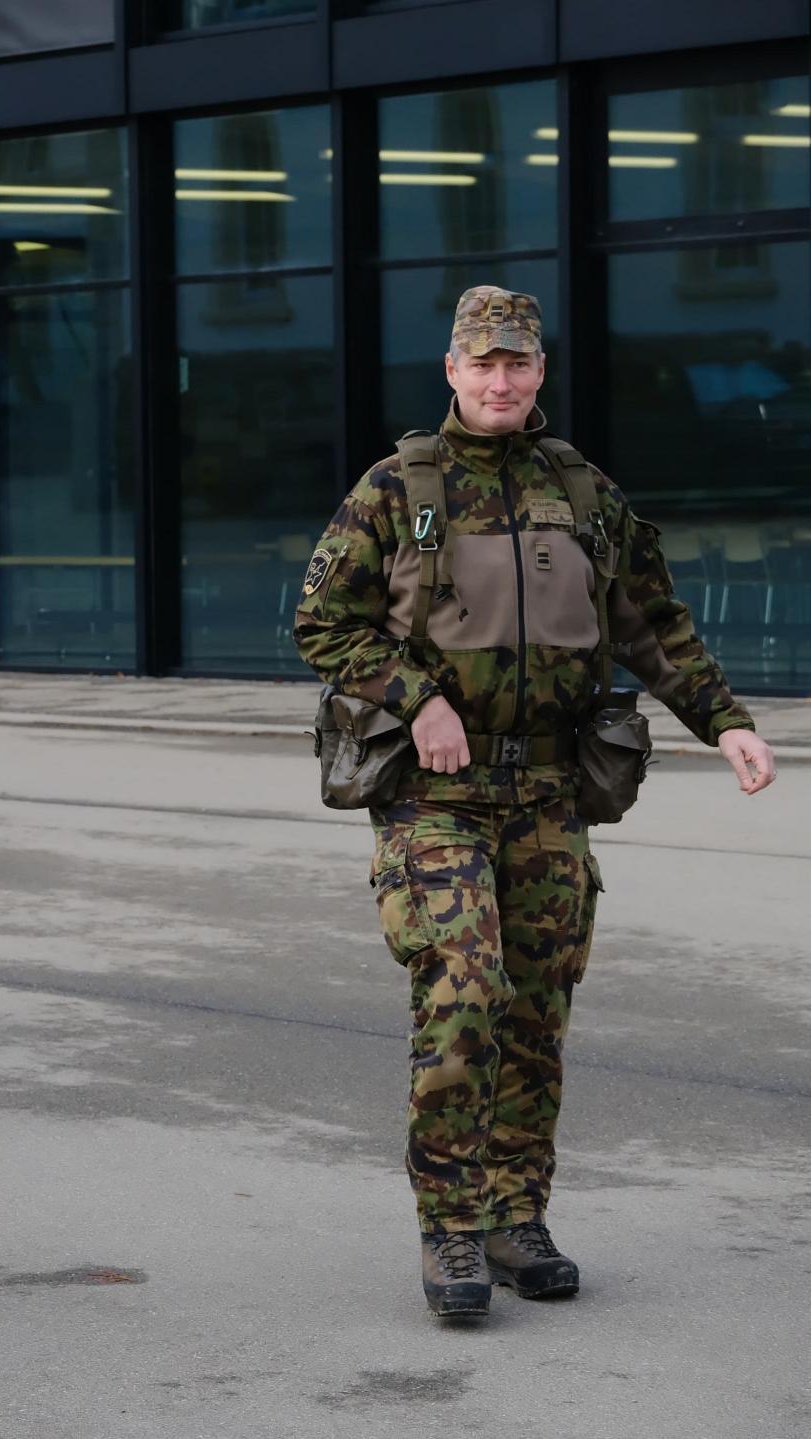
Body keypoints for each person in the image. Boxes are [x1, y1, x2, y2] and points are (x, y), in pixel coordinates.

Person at [293, 286, 779, 1320]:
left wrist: (722, 719)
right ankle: (452, 1228)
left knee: (537, 1007)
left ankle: (518, 1215)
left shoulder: (582, 490)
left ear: (540, 371)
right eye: (484, 364)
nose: (502, 380)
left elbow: (651, 621)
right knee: (464, 990)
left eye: (518, 363)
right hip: (436, 797)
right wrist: (414, 696)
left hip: (552, 791)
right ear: (453, 371)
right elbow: (321, 622)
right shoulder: (396, 487)